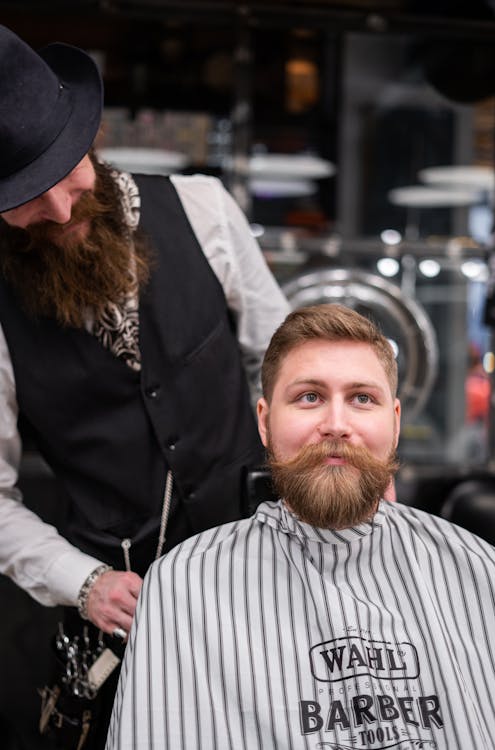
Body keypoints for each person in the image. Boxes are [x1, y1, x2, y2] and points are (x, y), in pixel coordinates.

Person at [0, 24, 289, 750]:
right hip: (122, 613)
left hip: (262, 576)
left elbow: (288, 364)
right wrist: (83, 581)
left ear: (87, 135)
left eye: (66, 173)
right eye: (26, 197)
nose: (62, 213)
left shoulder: (203, 209)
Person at [107, 303, 495, 750]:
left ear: (393, 423)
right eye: (309, 397)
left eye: (362, 399)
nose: (336, 425)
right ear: (264, 421)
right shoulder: (182, 588)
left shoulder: (482, 572)